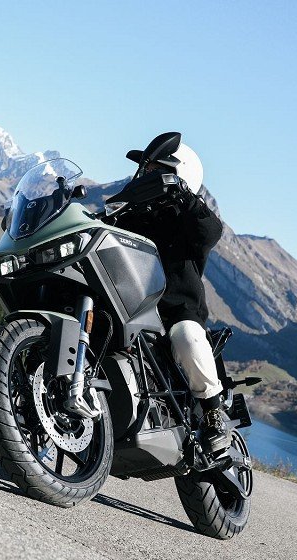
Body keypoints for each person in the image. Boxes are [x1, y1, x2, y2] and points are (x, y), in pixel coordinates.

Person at [114, 133, 230, 452]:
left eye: (153, 170)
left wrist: (183, 195)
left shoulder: (188, 217)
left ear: (179, 174)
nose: (144, 174)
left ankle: (213, 414)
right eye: (145, 169)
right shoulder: (132, 213)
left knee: (187, 336)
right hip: (133, 305)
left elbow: (210, 231)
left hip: (176, 312)